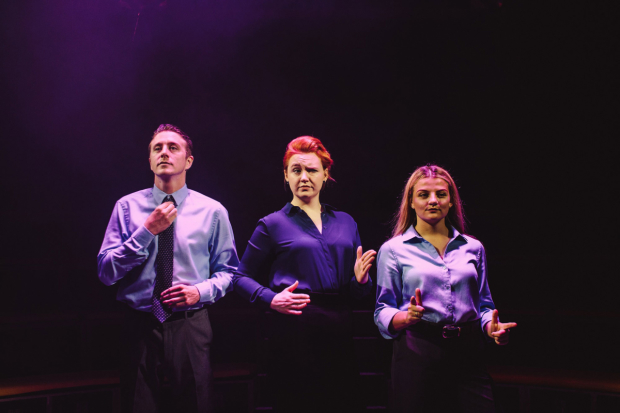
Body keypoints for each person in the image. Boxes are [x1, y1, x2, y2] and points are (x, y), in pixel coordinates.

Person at [97, 124, 239, 413]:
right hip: (138, 322)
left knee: (197, 404)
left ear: (188, 161)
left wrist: (199, 292)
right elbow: (106, 272)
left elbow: (230, 272)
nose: (164, 152)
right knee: (137, 405)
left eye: (173, 147)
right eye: (157, 148)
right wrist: (146, 231)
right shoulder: (126, 207)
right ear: (149, 160)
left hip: (190, 322)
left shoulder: (213, 211)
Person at [232, 136, 376, 413]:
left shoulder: (346, 222)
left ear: (325, 175)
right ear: (286, 176)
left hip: (339, 325)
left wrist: (361, 280)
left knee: (343, 401)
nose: (304, 176)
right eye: (296, 170)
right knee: (297, 401)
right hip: (294, 326)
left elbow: (358, 293)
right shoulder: (272, 223)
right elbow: (240, 277)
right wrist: (271, 299)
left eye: (311, 170)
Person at [374, 165, 517, 413]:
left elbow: (484, 305)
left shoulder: (473, 248)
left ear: (451, 201)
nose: (433, 201)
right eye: (423, 194)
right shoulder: (394, 250)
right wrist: (405, 317)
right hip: (418, 350)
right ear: (411, 201)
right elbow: (382, 310)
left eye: (441, 194)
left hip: (467, 352)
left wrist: (491, 327)